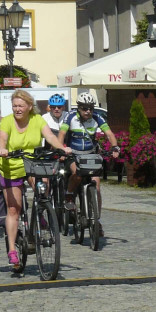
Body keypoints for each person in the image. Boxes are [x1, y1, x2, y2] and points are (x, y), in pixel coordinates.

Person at [0, 90, 71, 269]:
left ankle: (40, 210)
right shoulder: (7, 121)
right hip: (11, 165)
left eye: (20, 106)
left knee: (43, 185)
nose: (17, 109)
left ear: (29, 106)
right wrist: (2, 149)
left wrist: (62, 148)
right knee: (14, 209)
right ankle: (12, 251)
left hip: (31, 163)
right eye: (14, 106)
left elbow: (50, 136)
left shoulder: (37, 120)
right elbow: (3, 137)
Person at [60, 92, 119, 235]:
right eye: (85, 108)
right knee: (77, 174)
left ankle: (96, 220)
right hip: (73, 154)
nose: (88, 111)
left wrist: (115, 147)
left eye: (91, 108)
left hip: (91, 154)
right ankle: (69, 194)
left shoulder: (97, 118)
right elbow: (61, 135)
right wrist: (61, 149)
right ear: (79, 108)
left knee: (96, 186)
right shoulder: (70, 117)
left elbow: (109, 134)